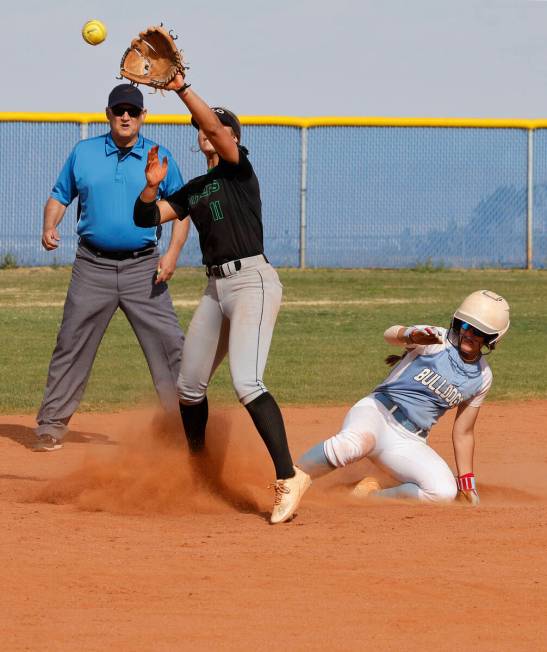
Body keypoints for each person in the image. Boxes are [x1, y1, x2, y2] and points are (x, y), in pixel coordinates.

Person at [133, 73, 311, 524]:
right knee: (189, 388)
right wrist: (152, 185)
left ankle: (289, 476)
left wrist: (178, 88)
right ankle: (200, 470)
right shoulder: (195, 187)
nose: (209, 132)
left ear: (231, 138)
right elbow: (145, 217)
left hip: (252, 280)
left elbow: (213, 126)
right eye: (207, 129)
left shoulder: (238, 170)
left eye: (219, 127)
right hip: (216, 289)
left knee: (247, 383)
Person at [35, 84, 188, 452]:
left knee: (171, 346)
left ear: (143, 116)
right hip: (92, 266)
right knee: (71, 343)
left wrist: (171, 254)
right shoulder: (84, 153)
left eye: (132, 111)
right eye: (119, 110)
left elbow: (182, 209)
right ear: (108, 114)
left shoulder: (159, 155)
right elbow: (59, 195)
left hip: (143, 268)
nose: (125, 117)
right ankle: (51, 425)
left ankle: (185, 428)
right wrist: (49, 225)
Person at [297, 290, 510, 505]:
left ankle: (369, 495)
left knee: (443, 492)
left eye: (479, 331)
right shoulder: (436, 338)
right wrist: (410, 335)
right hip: (378, 413)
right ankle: (290, 479)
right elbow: (389, 334)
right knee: (353, 444)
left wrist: (467, 484)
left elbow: (463, 432)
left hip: (409, 440)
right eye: (465, 326)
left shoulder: (482, 377)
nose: (469, 334)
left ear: (491, 339)